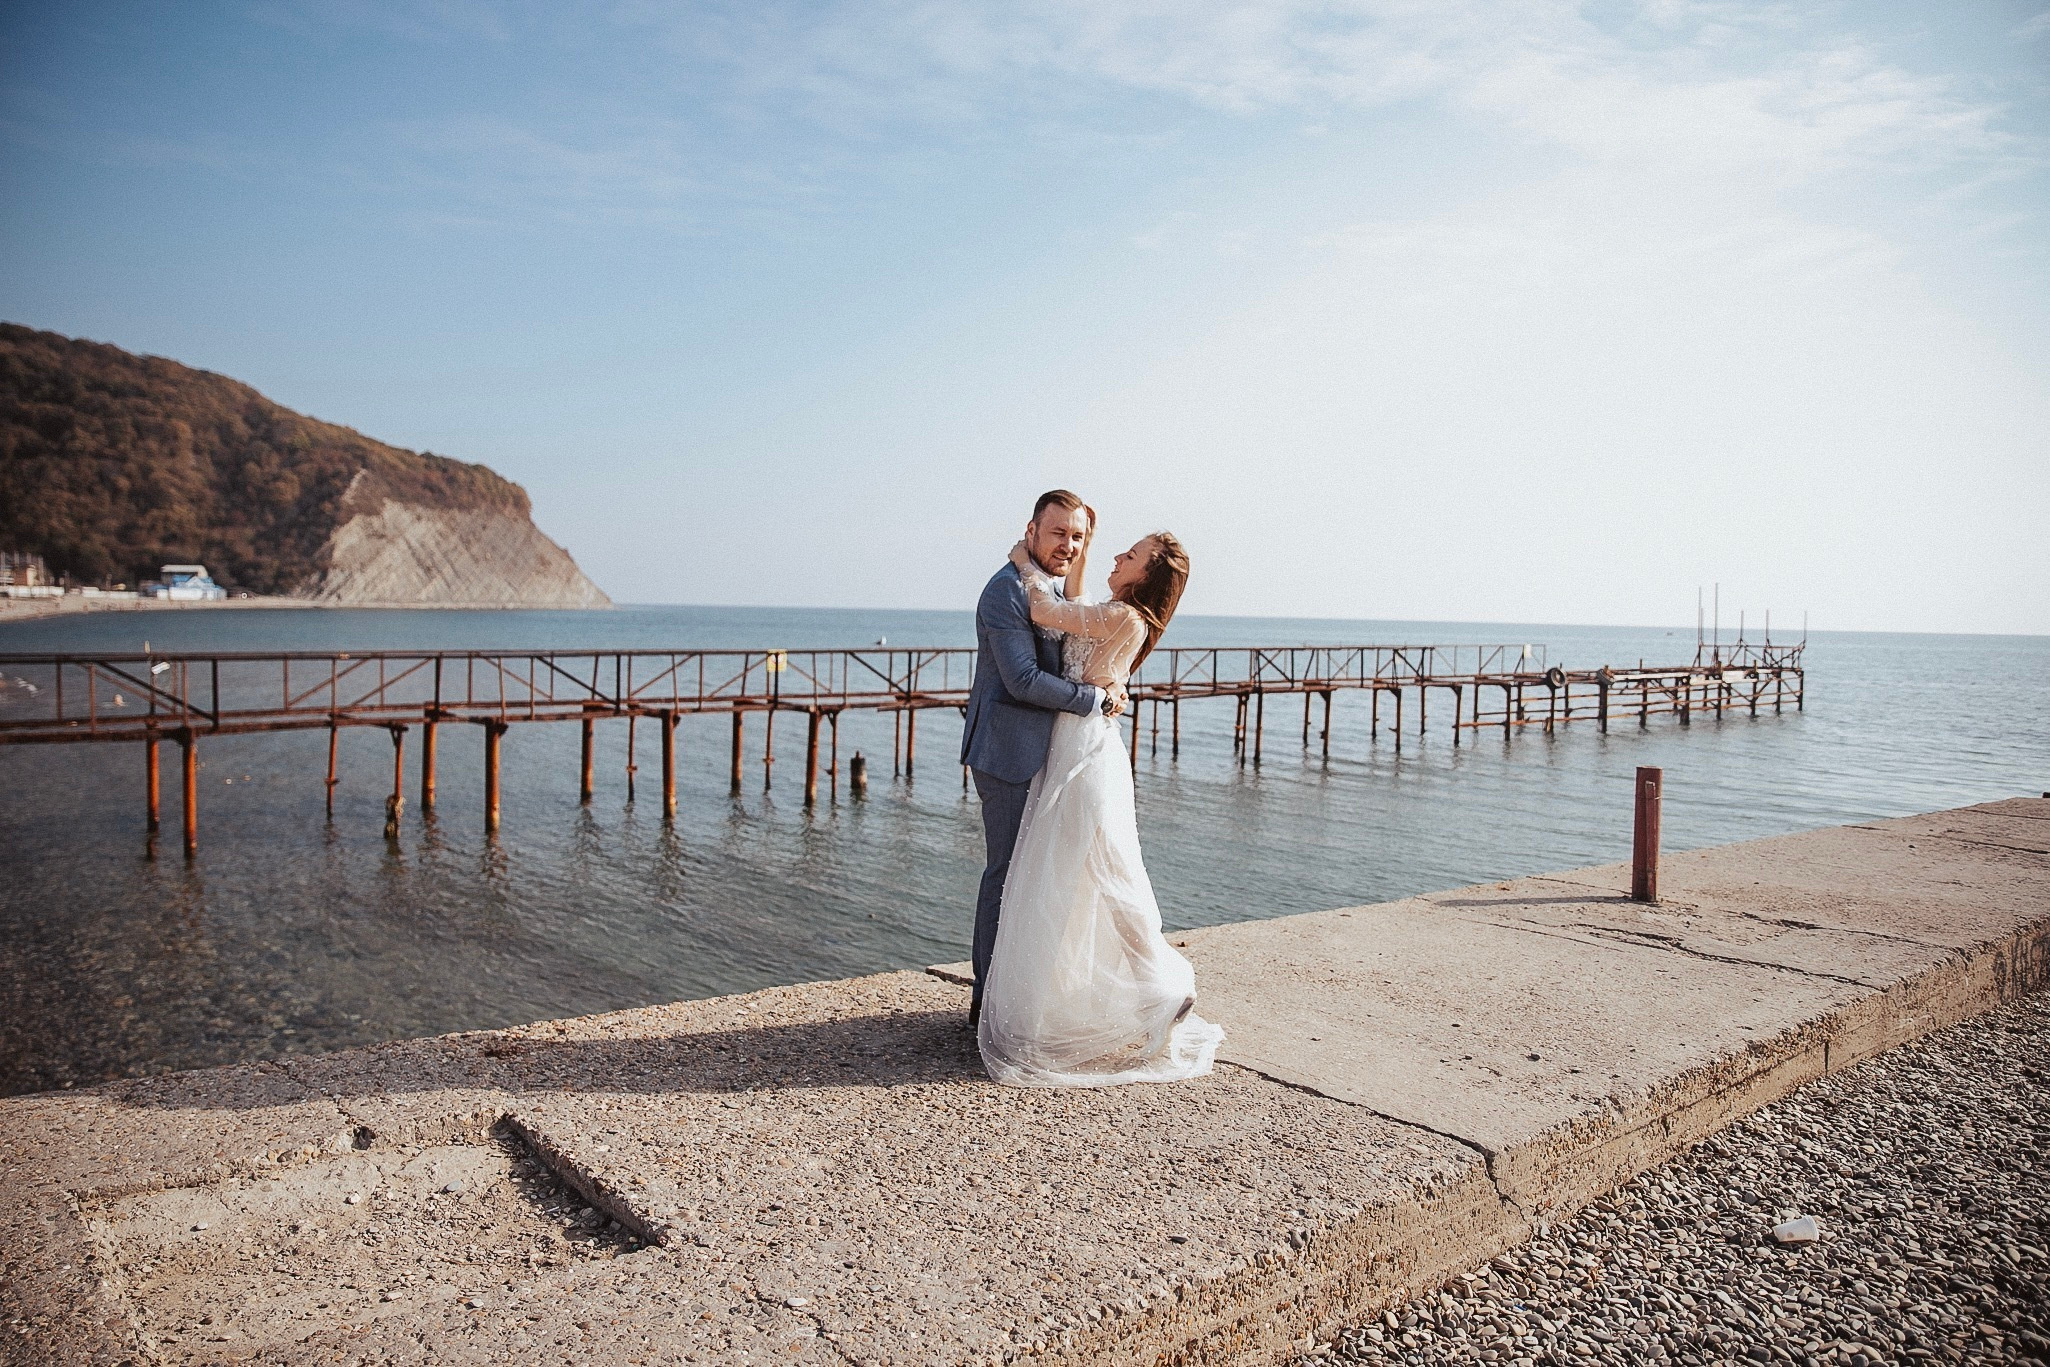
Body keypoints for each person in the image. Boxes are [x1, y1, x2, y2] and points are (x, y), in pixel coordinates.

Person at [976, 517, 1225, 1087]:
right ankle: (1146, 991)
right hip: (1077, 747)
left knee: (1092, 875)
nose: (1118, 555)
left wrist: (1023, 562)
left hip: (1082, 754)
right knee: (1096, 874)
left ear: (1148, 574)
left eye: (1131, 554)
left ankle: (1158, 990)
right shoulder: (1120, 612)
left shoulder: (1121, 616)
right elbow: (1078, 604)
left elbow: (1048, 612)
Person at [960, 490, 1127, 1031]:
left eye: (1077, 537)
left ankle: (1021, 993)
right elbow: (1022, 680)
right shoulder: (1004, 591)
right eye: (1059, 533)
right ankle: (985, 1005)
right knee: (1005, 877)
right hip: (1007, 753)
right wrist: (1095, 701)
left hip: (1051, 753)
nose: (1069, 546)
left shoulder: (1050, 588)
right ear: (1031, 531)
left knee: (1041, 879)